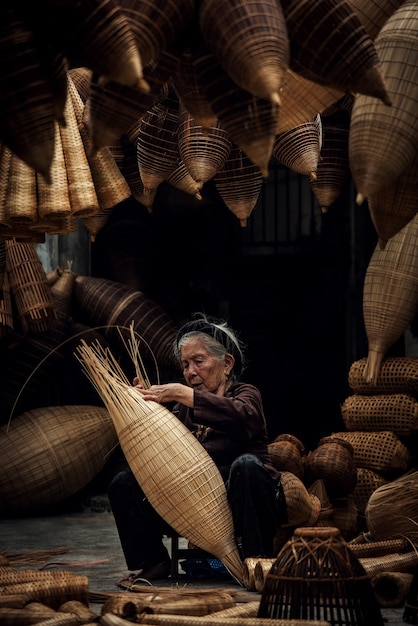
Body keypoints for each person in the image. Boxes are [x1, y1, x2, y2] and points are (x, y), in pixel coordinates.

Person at [108, 312, 288, 588]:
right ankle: (154, 560)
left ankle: (258, 559)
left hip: (244, 502)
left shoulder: (245, 394)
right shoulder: (182, 410)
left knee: (247, 466)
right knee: (124, 483)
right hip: (194, 507)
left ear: (227, 363)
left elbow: (243, 418)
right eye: (185, 365)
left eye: (199, 362)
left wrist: (181, 392)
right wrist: (143, 408)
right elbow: (163, 448)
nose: (190, 372)